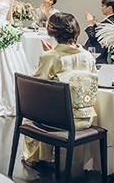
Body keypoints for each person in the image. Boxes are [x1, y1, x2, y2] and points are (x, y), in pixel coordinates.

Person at [23, 13, 97, 165]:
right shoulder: (87, 56)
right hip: (84, 118)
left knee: (31, 113)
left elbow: (37, 87)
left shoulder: (50, 57)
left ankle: (38, 158)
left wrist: (49, 54)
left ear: (53, 32)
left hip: (57, 121)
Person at [84, 0, 114, 64]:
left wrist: (90, 23)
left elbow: (94, 38)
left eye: (103, 6)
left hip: (100, 57)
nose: (101, 8)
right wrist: (94, 24)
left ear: (109, 8)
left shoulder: (110, 22)